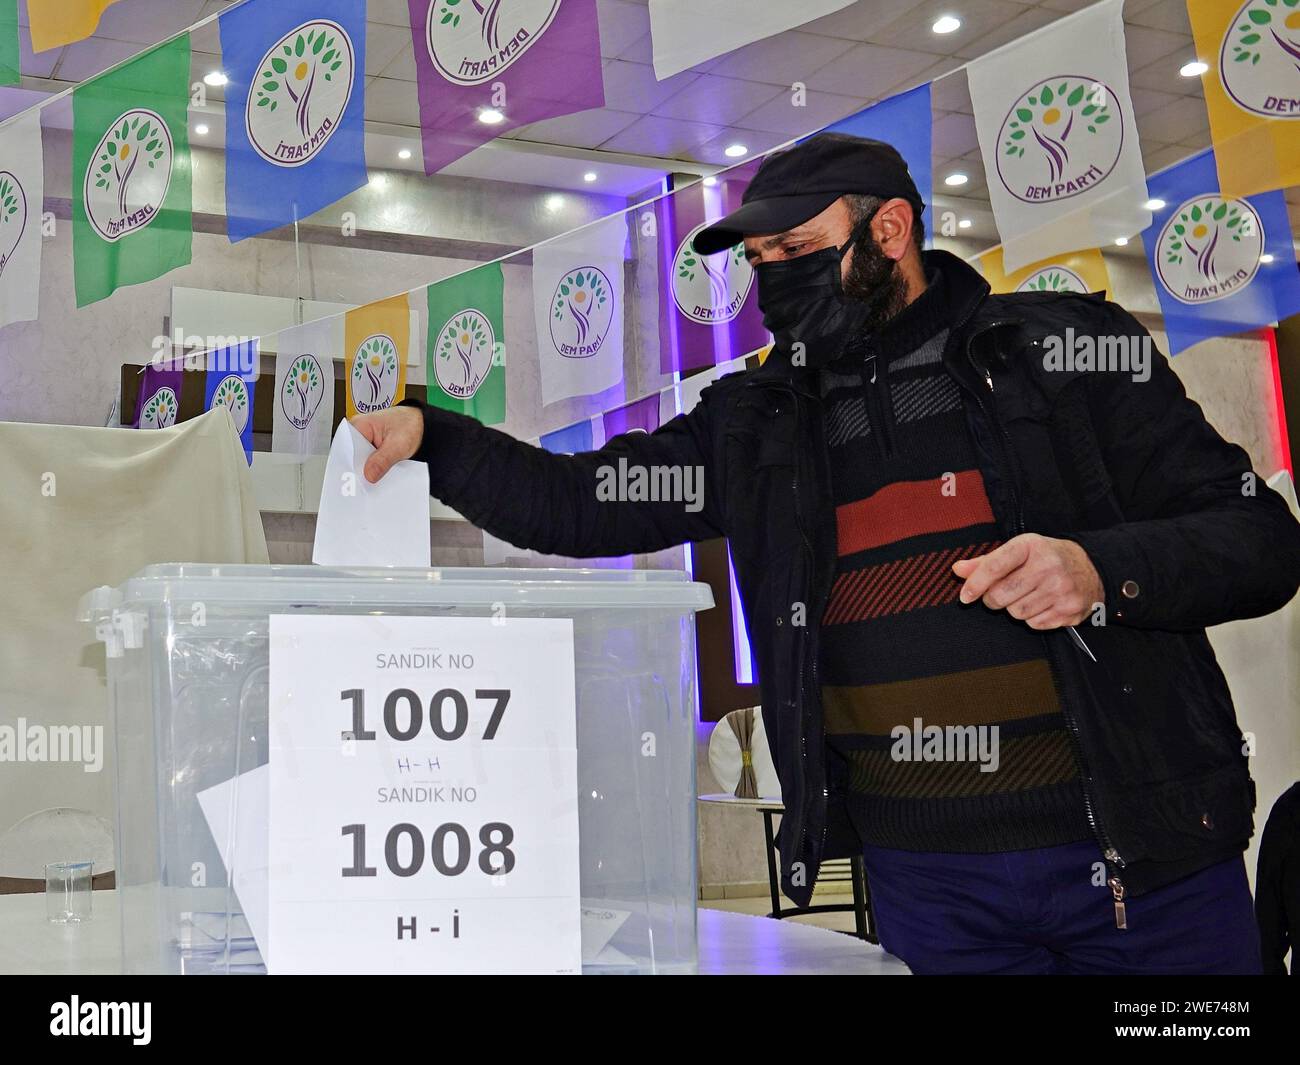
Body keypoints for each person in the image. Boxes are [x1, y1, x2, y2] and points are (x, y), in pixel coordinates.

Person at [353, 133, 1300, 975]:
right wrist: (435, 437)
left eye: (798, 253)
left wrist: (1101, 571)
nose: (773, 283)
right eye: (760, 262)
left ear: (890, 232)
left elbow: (1258, 537)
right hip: (927, 886)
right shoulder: (756, 424)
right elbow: (579, 503)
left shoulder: (1067, 351)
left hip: (1143, 862)